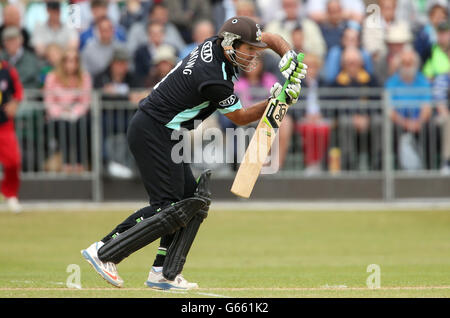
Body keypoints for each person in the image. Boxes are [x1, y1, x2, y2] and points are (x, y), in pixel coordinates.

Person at [81, 16, 307, 289]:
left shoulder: (218, 43)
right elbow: (240, 117)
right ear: (231, 45)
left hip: (165, 132)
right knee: (168, 207)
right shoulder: (214, 78)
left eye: (253, 49)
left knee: (191, 201)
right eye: (249, 49)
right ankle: (104, 250)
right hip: (152, 130)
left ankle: (163, 272)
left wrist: (288, 57)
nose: (254, 55)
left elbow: (268, 38)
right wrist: (275, 100)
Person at [44, 49, 92, 174]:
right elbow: (49, 101)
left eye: (75, 60)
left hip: (77, 115)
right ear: (63, 62)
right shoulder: (52, 77)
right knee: (63, 126)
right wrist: (61, 113)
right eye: (68, 60)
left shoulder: (84, 77)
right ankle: (66, 163)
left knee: (81, 124)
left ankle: (80, 163)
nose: (71, 64)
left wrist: (74, 113)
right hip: (57, 117)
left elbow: (85, 101)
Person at [385, 47, 433, 171]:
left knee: (430, 129)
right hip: (399, 122)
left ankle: (429, 167)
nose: (407, 66)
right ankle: (394, 168)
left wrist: (419, 122)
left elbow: (427, 107)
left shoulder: (423, 81)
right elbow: (389, 110)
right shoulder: (391, 82)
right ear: (399, 65)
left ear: (416, 65)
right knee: (389, 128)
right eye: (404, 63)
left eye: (410, 63)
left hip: (419, 122)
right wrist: (406, 123)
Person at [0, 59, 23, 213]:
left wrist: (14, 103)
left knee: (13, 161)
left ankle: (10, 194)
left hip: (4, 123)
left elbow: (18, 91)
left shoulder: (7, 69)